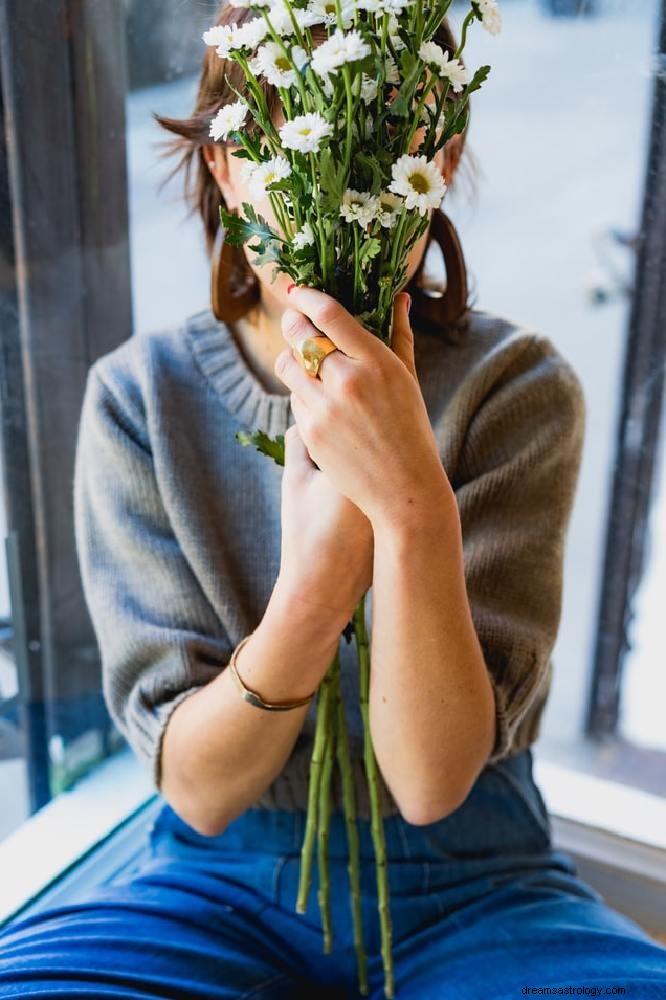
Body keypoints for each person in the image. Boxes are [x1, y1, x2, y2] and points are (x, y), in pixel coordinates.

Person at [1, 4, 665, 998]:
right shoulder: (141, 401)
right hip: (215, 878)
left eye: (381, 156)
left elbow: (435, 784)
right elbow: (201, 789)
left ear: (433, 168)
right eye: (295, 149)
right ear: (226, 169)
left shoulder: (517, 390)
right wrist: (313, 592)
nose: (333, 202)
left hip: (476, 877)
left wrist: (409, 509)